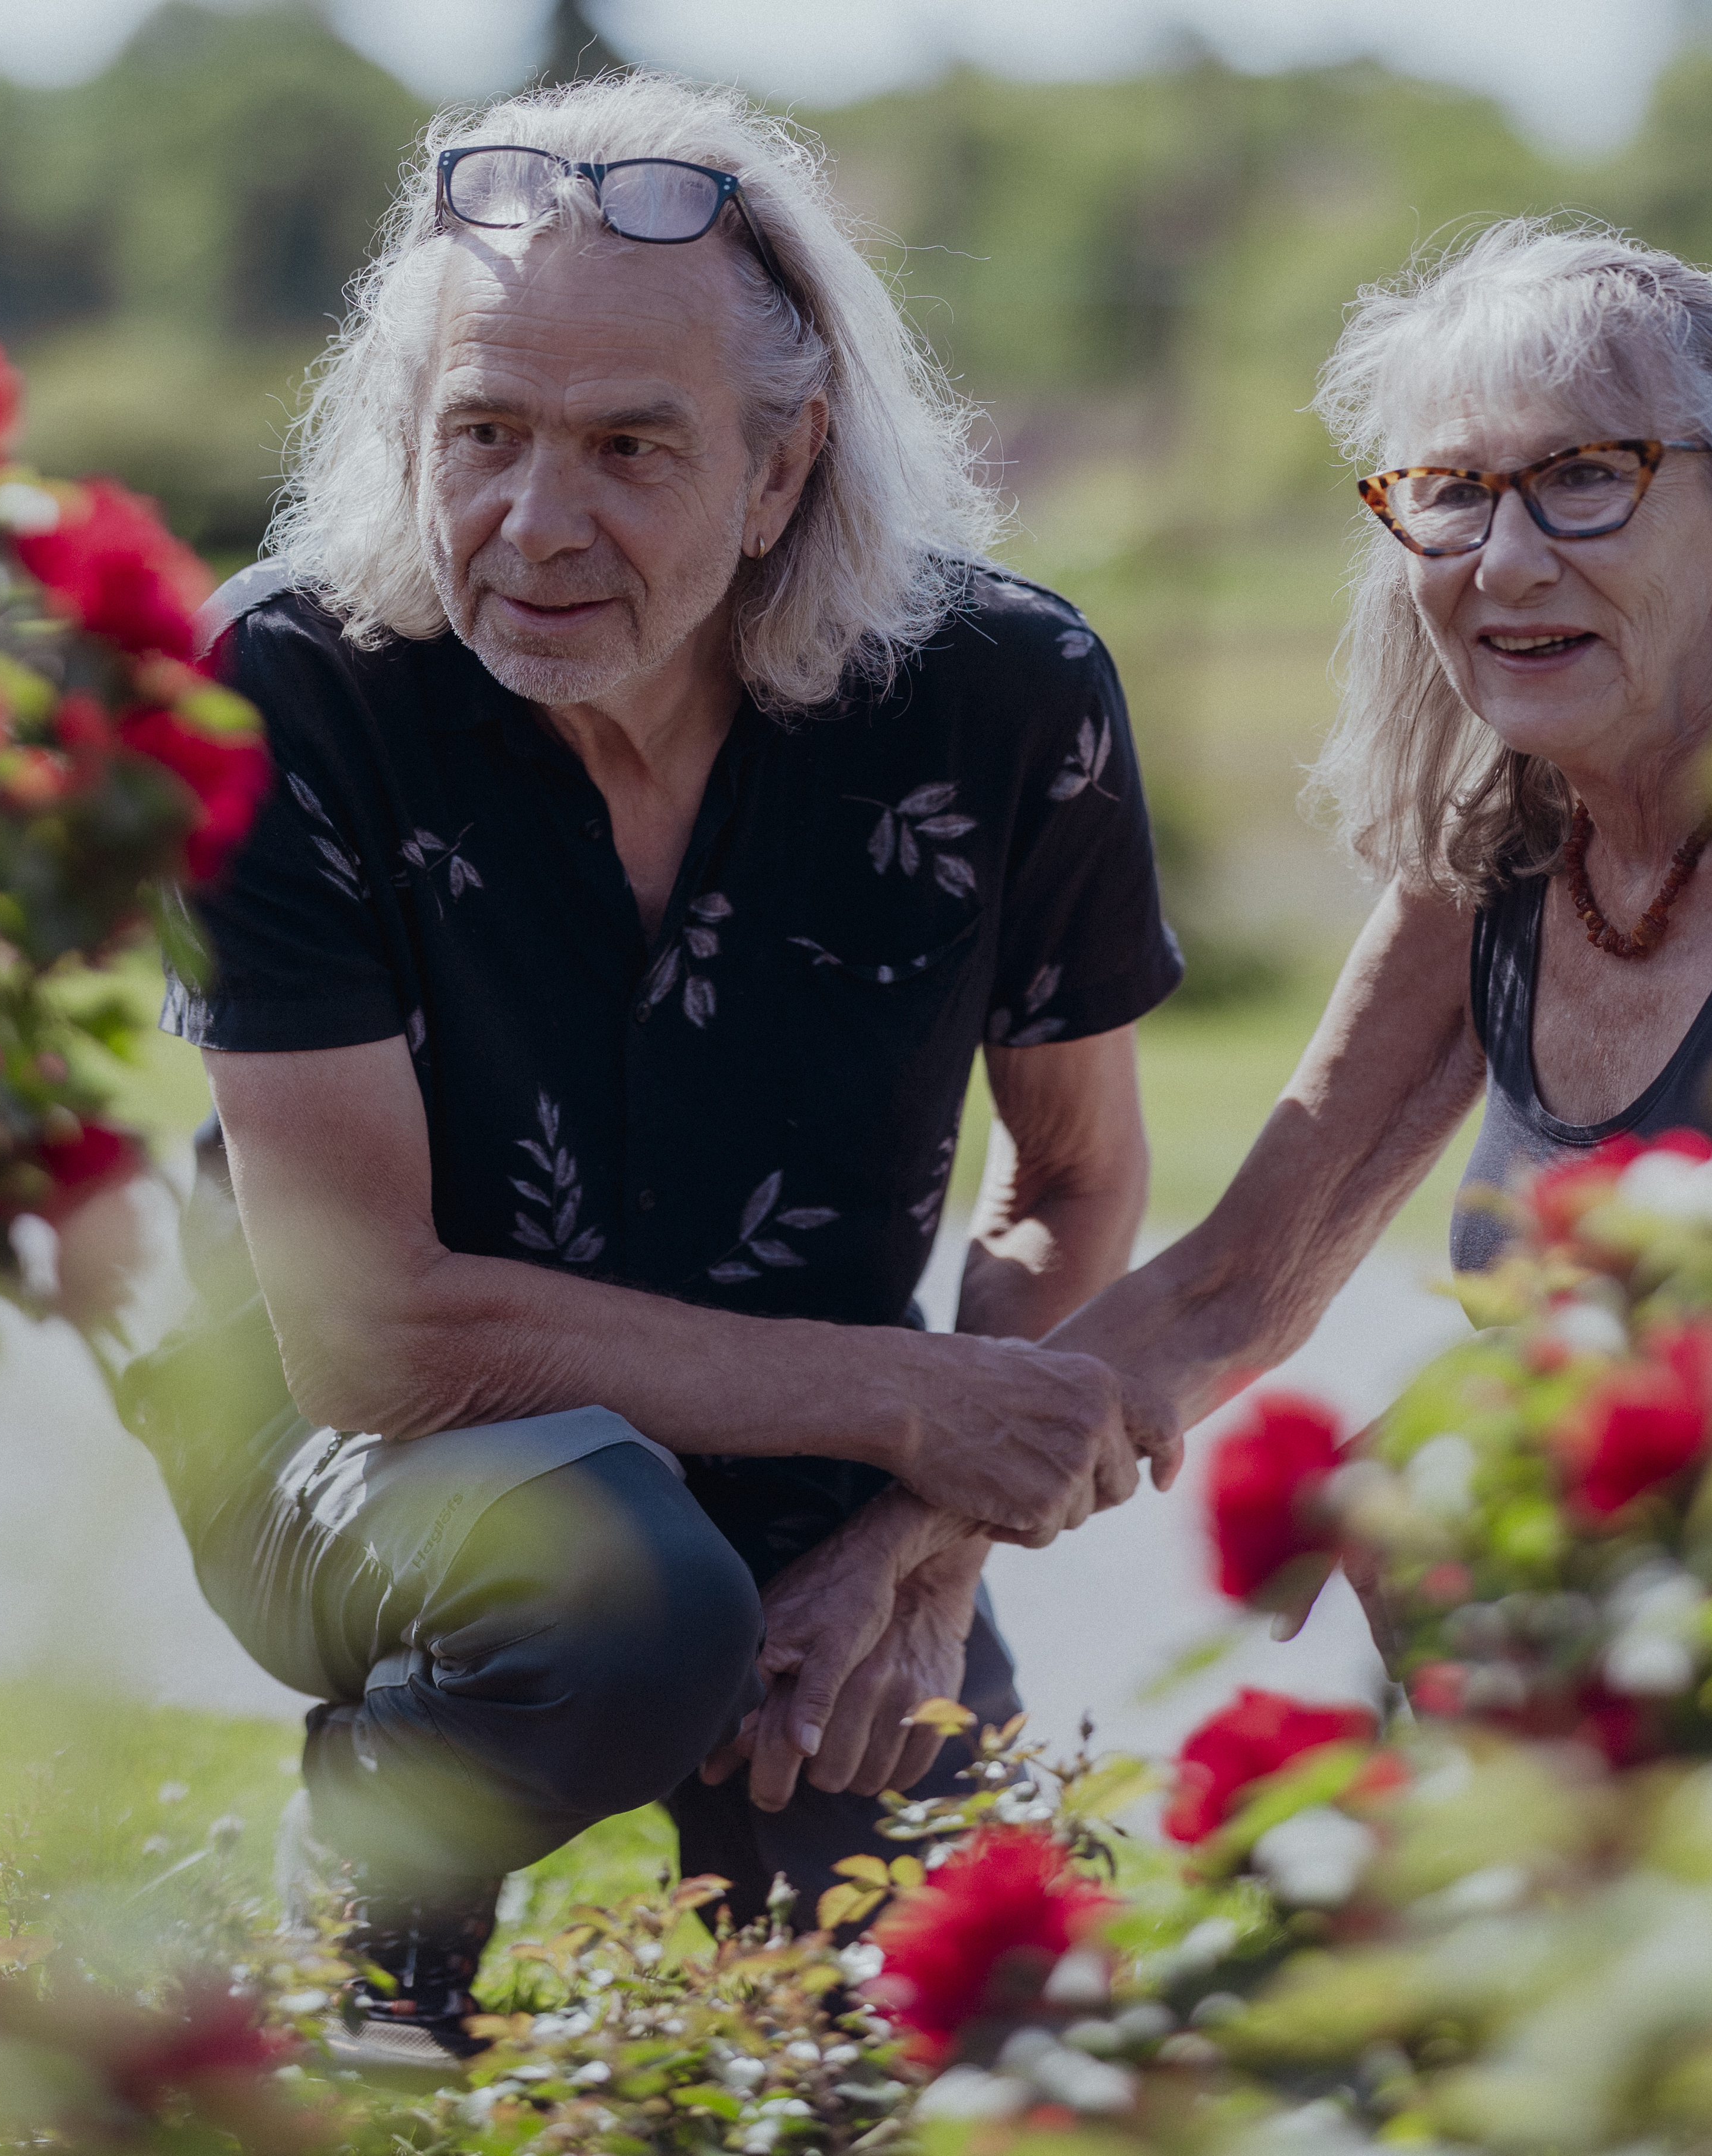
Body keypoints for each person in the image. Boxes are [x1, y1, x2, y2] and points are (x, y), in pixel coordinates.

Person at [132, 72, 1186, 2064]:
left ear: (783, 465)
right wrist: (913, 1394)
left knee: (933, 2021)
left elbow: (1065, 1177)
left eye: (631, 444)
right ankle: (380, 1879)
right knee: (623, 1592)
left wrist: (914, 1547)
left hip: (813, 1467)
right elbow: (380, 1333)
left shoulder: (1003, 696)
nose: (538, 520)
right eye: (485, 435)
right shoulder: (288, 686)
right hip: (356, 1445)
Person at [1050, 216, 1712, 1427]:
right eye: (1454, 493)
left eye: (1585, 476)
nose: (1508, 561)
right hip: (1571, 1610)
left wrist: (1448, 1450)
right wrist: (897, 1530)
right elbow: (1230, 1288)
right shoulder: (1489, 872)